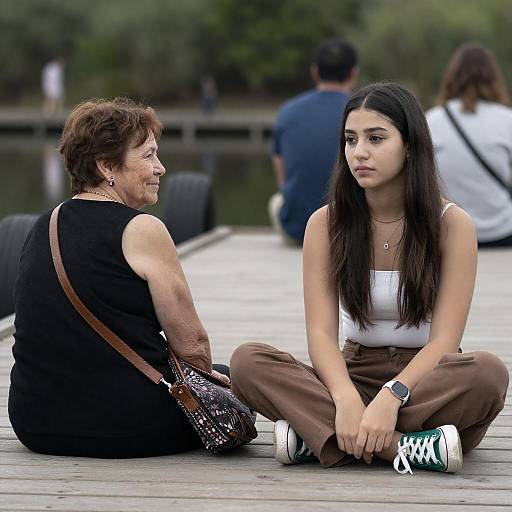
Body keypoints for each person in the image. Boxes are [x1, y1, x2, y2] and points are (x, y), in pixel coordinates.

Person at [230, 82, 508, 475]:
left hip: (427, 381)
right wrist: (345, 398)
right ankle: (407, 447)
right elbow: (321, 334)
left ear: (409, 145)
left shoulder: (452, 225)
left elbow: (445, 340)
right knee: (247, 362)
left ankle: (321, 439)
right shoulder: (325, 223)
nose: (359, 152)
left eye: (376, 138)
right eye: (350, 139)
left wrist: (392, 396)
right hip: (354, 374)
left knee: (488, 374)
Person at [9, 98, 230, 458]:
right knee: (228, 382)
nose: (161, 168)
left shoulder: (43, 224)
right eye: (148, 156)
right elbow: (192, 345)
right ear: (107, 166)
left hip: (35, 424)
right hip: (129, 425)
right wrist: (206, 392)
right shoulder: (142, 229)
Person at [269, 38, 358, 244]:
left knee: (276, 201)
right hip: (350, 230)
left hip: (298, 229)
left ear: (314, 72)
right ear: (354, 73)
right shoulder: (363, 111)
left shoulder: (287, 112)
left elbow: (282, 180)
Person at [427, 43, 512, 247]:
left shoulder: (431, 121)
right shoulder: (507, 119)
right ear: (494, 78)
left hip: (449, 231)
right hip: (503, 231)